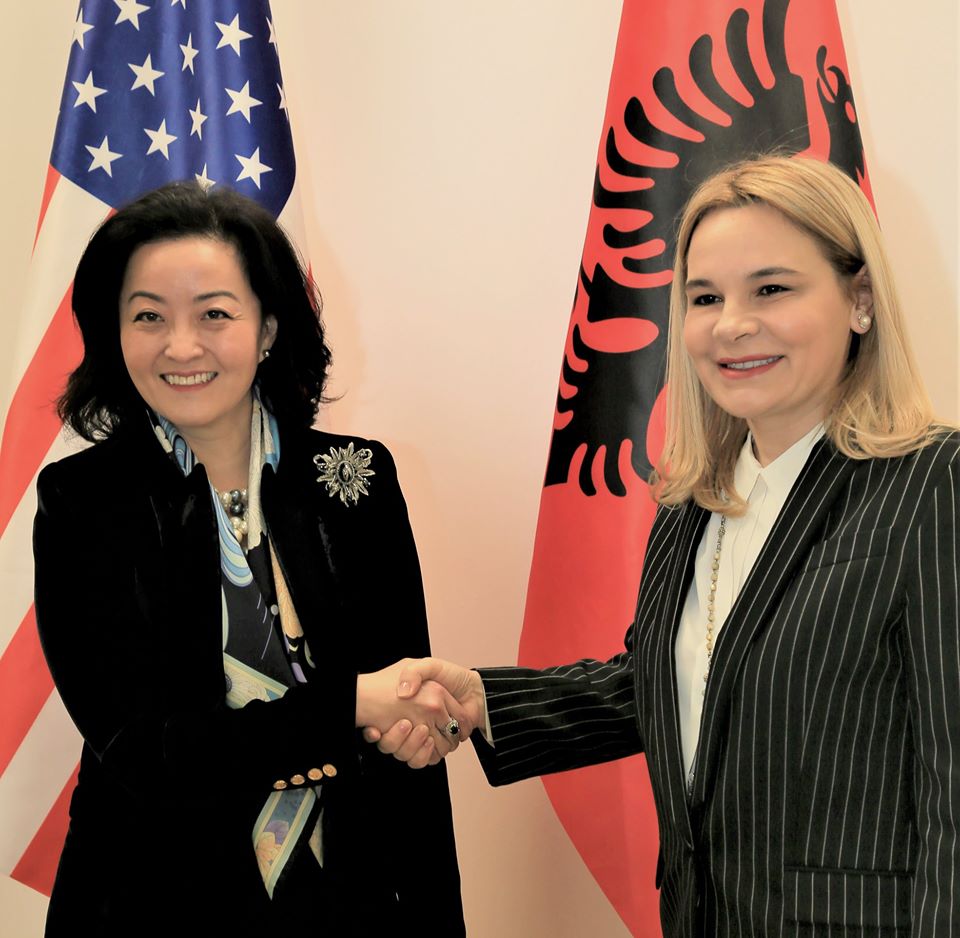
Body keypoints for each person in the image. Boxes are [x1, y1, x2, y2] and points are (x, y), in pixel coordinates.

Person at [370, 156, 960, 936]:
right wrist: (481, 702)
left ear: (860, 300)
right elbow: (667, 684)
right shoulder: (689, 501)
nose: (731, 325)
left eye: (771, 289)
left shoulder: (934, 482)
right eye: (705, 297)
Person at [34, 181, 466, 937]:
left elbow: (406, 715)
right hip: (152, 904)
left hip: (350, 902)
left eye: (214, 314)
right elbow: (147, 753)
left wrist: (415, 728)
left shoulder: (356, 479)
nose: (181, 346)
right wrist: (350, 709)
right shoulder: (82, 503)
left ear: (267, 327)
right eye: (148, 316)